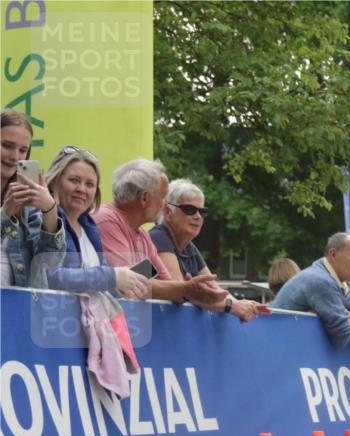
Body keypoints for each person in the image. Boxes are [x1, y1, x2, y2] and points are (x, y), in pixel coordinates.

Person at [94, 159, 225, 306]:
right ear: (145, 198)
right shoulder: (107, 221)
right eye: (163, 197)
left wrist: (187, 291)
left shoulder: (142, 235)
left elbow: (167, 284)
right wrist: (185, 289)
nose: (165, 204)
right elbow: (129, 287)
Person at [151, 178, 270, 322]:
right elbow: (179, 292)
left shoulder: (189, 248)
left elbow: (217, 291)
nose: (198, 216)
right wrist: (231, 306)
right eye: (190, 210)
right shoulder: (158, 237)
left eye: (202, 211)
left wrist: (243, 305)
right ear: (168, 212)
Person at [41, 146, 149, 299]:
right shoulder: (44, 220)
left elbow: (100, 284)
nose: (81, 189)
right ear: (54, 182)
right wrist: (112, 277)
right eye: (74, 180)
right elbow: (47, 277)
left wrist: (123, 287)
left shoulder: (90, 227)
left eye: (90, 184)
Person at [271, 233, 350, 348]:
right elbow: (341, 337)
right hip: (280, 347)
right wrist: (343, 316)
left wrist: (342, 313)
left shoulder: (337, 280)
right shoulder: (322, 281)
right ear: (333, 254)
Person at [1, 109, 64, 287]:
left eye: (23, 150)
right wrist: (5, 215)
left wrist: (49, 208)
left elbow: (49, 264)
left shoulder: (26, 200)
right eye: (6, 145)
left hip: (19, 307)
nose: (14, 157)